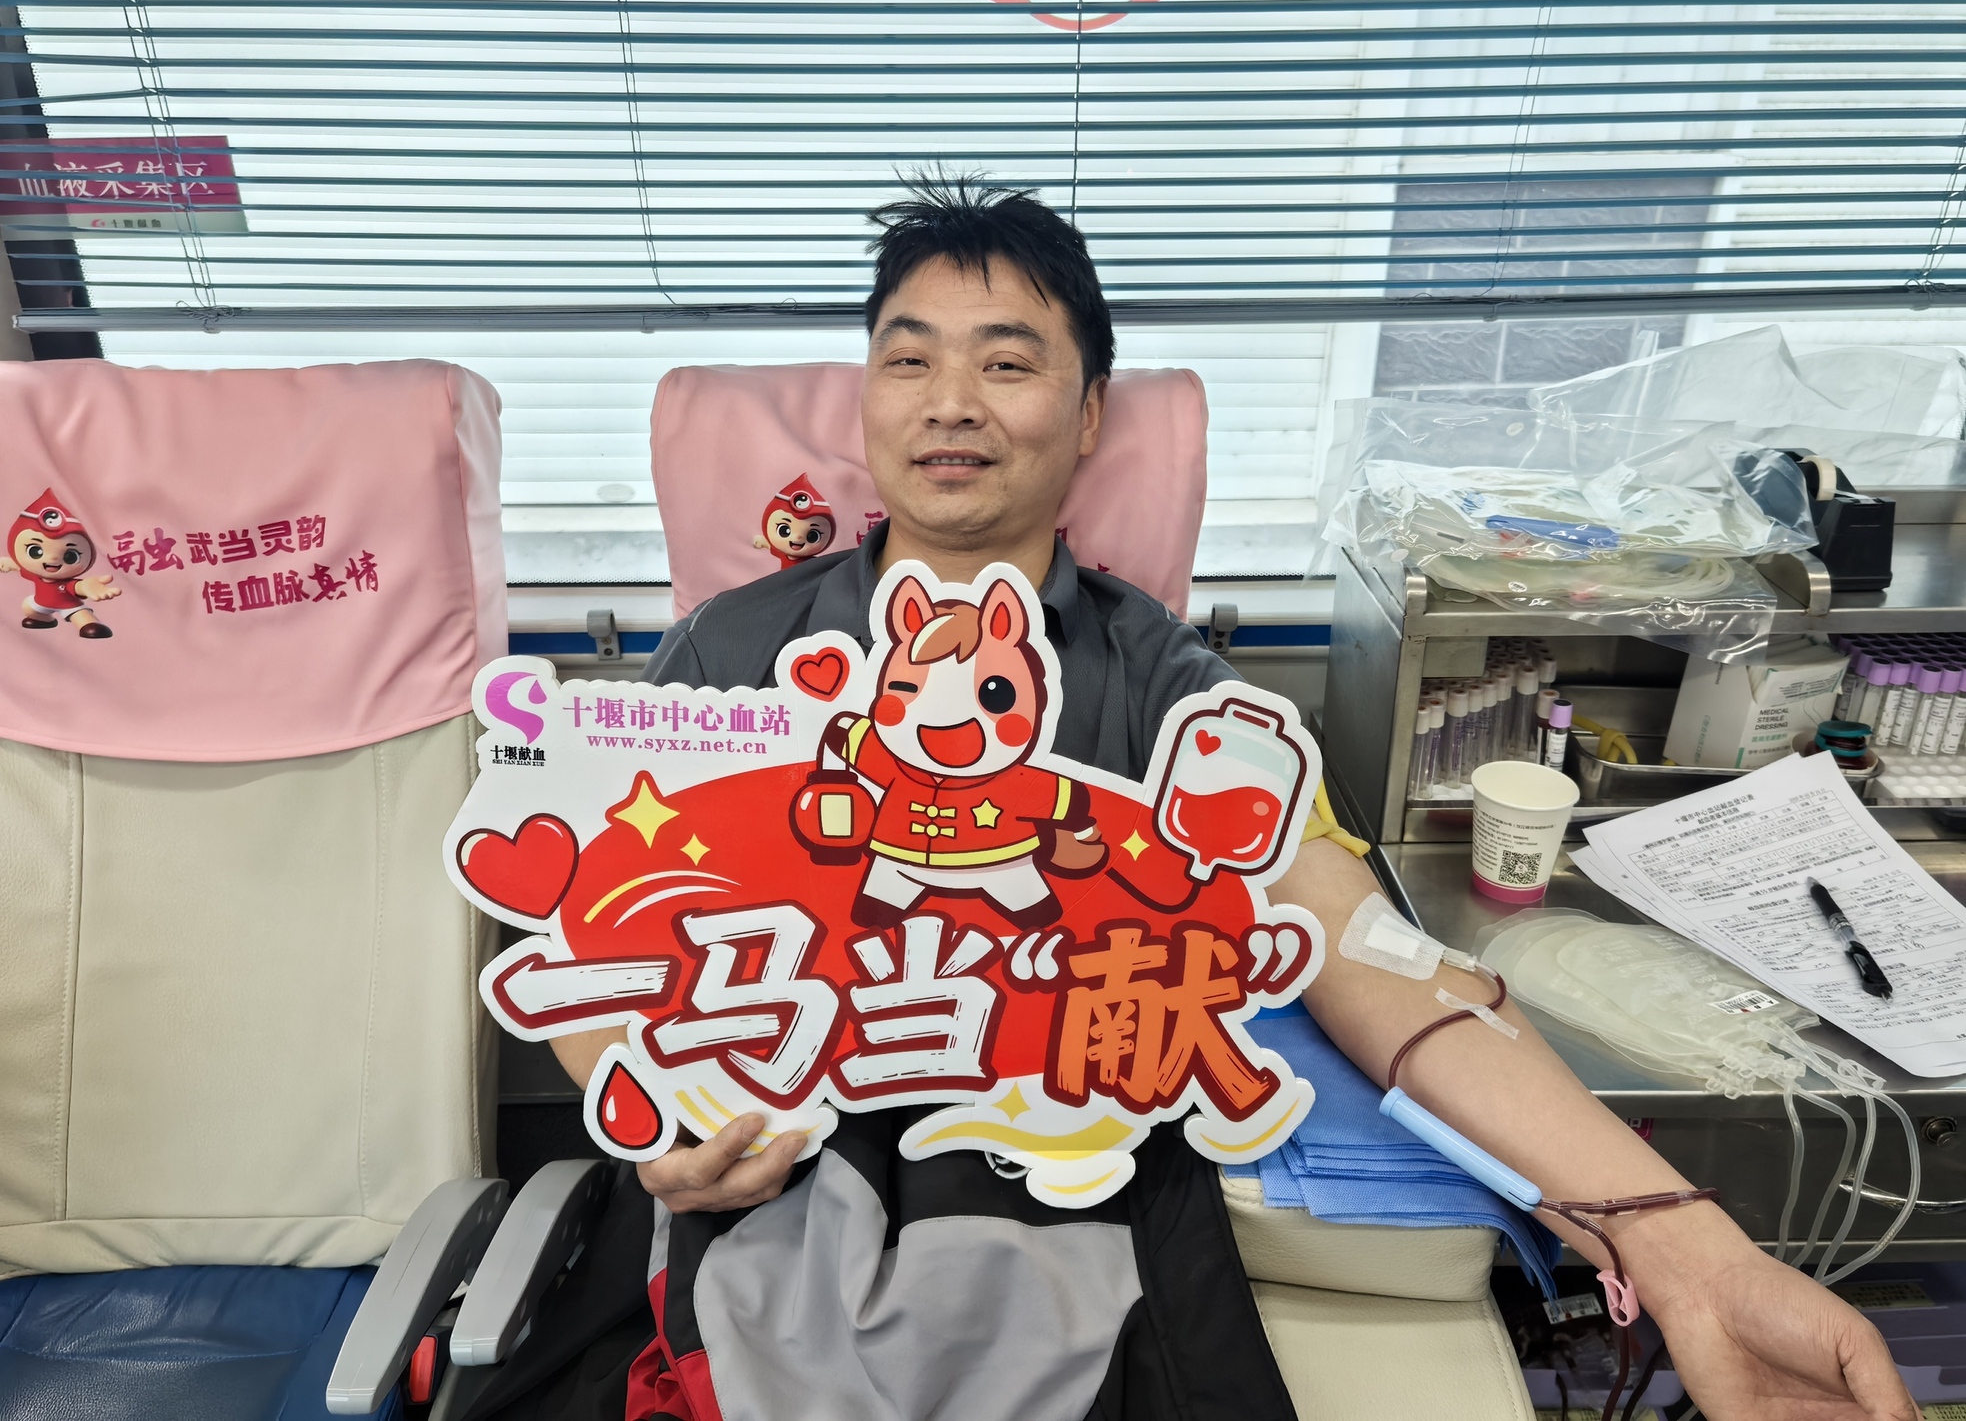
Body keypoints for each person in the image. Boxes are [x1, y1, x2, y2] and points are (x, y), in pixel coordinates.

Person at [506, 175, 1915, 1421]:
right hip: (775, 1185)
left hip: (1068, 1205)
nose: (950, 401)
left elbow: (1379, 961)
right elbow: (583, 940)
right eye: (908, 358)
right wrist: (661, 1110)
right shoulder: (730, 658)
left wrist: (1683, 1245)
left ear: (1087, 414)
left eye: (1008, 362)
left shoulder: (1176, 693)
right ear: (866, 397)